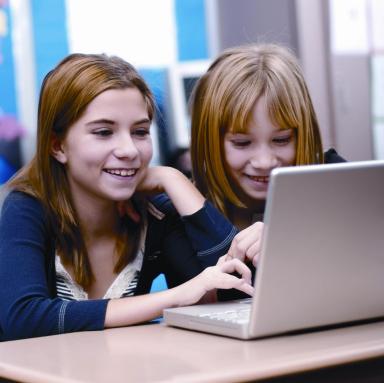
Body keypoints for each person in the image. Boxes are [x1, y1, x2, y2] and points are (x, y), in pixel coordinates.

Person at [0, 53, 253, 341]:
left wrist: (174, 180)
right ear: (58, 146)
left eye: (140, 132)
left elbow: (236, 294)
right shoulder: (26, 207)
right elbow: (24, 319)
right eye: (104, 132)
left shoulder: (154, 213)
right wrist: (176, 297)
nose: (129, 150)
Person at [190, 43, 345, 267]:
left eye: (281, 140)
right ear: (209, 141)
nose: (264, 162)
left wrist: (287, 236)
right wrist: (172, 181)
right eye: (242, 143)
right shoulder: (183, 207)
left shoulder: (335, 179)